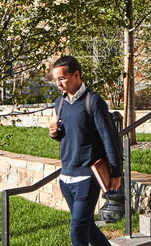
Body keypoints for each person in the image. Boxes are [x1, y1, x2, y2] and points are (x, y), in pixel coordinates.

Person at [49, 56, 122, 246]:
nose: (59, 83)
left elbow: (109, 138)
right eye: (56, 79)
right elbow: (68, 134)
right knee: (87, 227)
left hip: (87, 178)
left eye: (63, 78)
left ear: (77, 75)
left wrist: (116, 172)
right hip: (66, 177)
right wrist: (55, 134)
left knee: (78, 231)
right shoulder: (60, 103)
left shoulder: (94, 102)